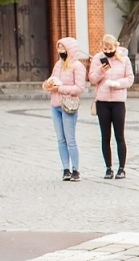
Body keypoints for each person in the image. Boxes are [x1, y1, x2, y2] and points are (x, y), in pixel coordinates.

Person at [88, 34, 133, 180]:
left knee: (119, 136)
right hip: (103, 101)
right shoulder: (97, 59)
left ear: (116, 47)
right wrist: (102, 70)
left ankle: (121, 168)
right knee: (105, 136)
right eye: (105, 48)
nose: (108, 51)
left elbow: (130, 79)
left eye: (111, 48)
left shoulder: (124, 60)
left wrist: (117, 84)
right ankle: (108, 168)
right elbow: (92, 79)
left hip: (118, 101)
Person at [44, 37, 87, 182]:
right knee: (60, 139)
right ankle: (65, 169)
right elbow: (51, 80)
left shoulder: (77, 66)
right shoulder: (58, 65)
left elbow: (79, 88)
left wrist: (60, 88)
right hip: (55, 105)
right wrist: (47, 85)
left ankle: (75, 169)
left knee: (70, 139)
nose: (60, 51)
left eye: (63, 48)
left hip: (69, 105)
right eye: (59, 48)